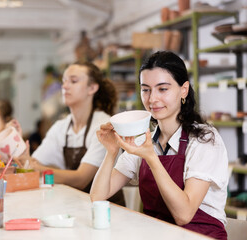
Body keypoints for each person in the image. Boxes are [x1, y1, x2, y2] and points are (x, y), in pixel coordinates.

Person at [90, 51, 228, 239]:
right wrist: (111, 151)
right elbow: (97, 196)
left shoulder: (205, 139)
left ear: (183, 90)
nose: (152, 99)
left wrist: (152, 159)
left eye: (162, 89)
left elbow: (184, 215)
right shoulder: (143, 140)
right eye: (146, 89)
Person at [13, 62, 123, 200]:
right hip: (77, 203)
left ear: (92, 88)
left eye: (73, 81)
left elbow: (81, 179)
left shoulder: (104, 127)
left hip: (109, 209)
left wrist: (38, 168)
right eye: (64, 81)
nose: (64, 86)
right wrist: (18, 149)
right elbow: (33, 162)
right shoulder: (61, 127)